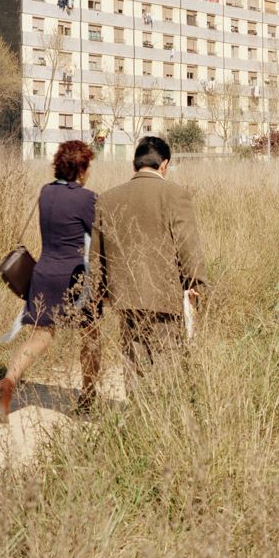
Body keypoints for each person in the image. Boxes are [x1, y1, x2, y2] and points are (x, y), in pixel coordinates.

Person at [0, 140, 100, 423]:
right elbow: (99, 235)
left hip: (44, 273)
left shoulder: (46, 193)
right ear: (82, 168)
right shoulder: (87, 199)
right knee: (91, 337)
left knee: (40, 336)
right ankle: (88, 397)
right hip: (75, 279)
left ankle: (8, 383)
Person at [89, 136, 204, 394]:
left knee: (133, 359)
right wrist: (195, 282)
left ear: (134, 164)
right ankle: (163, 421)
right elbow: (188, 244)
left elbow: (96, 254)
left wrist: (97, 292)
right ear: (164, 164)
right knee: (167, 360)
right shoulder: (175, 194)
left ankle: (137, 420)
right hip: (165, 294)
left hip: (125, 296)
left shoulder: (107, 199)